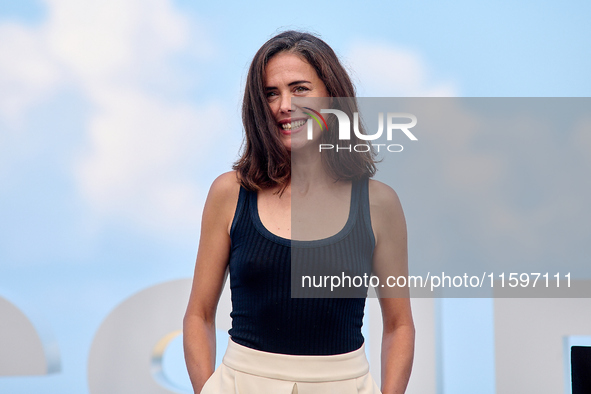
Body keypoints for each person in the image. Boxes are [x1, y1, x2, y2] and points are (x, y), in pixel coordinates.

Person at [183, 30, 414, 394]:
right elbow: (198, 315)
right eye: (271, 93)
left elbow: (399, 325)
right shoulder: (230, 193)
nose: (284, 105)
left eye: (300, 88)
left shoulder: (379, 204)